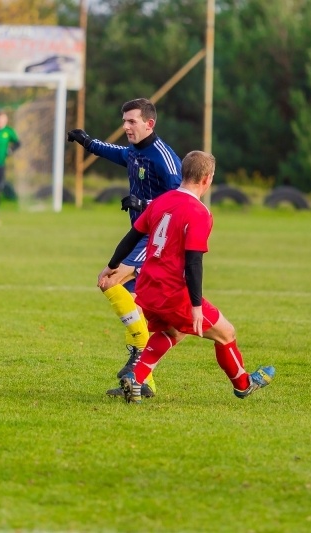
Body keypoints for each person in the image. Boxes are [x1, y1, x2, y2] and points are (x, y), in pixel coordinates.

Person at [98, 150, 275, 403]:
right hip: (172, 292)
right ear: (208, 179)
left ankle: (135, 378)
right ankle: (243, 384)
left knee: (172, 333)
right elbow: (193, 262)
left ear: (183, 173)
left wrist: (112, 264)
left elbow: (132, 236)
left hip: (148, 289)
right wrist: (195, 306)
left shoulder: (161, 201)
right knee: (226, 333)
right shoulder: (199, 212)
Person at [66, 98, 182, 398]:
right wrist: (87, 142)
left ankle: (140, 347)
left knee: (108, 280)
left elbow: (181, 202)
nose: (125, 126)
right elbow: (116, 152)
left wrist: (144, 204)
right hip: (139, 234)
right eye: (124, 120)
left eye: (131, 121)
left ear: (149, 124)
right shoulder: (134, 152)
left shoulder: (163, 158)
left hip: (157, 238)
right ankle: (144, 383)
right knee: (135, 300)